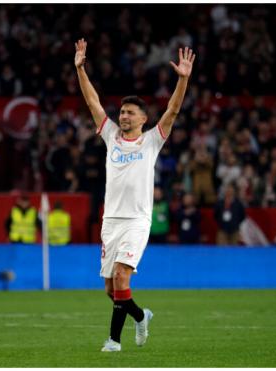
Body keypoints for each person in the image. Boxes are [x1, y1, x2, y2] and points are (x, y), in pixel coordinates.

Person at [75, 38, 195, 351]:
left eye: (130, 112)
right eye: (122, 112)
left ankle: (114, 340)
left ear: (143, 118)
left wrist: (183, 79)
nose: (124, 116)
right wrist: (80, 69)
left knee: (121, 277)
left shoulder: (153, 140)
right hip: (111, 220)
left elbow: (173, 109)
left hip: (137, 219)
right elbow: (92, 103)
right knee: (109, 288)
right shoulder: (112, 136)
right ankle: (141, 317)